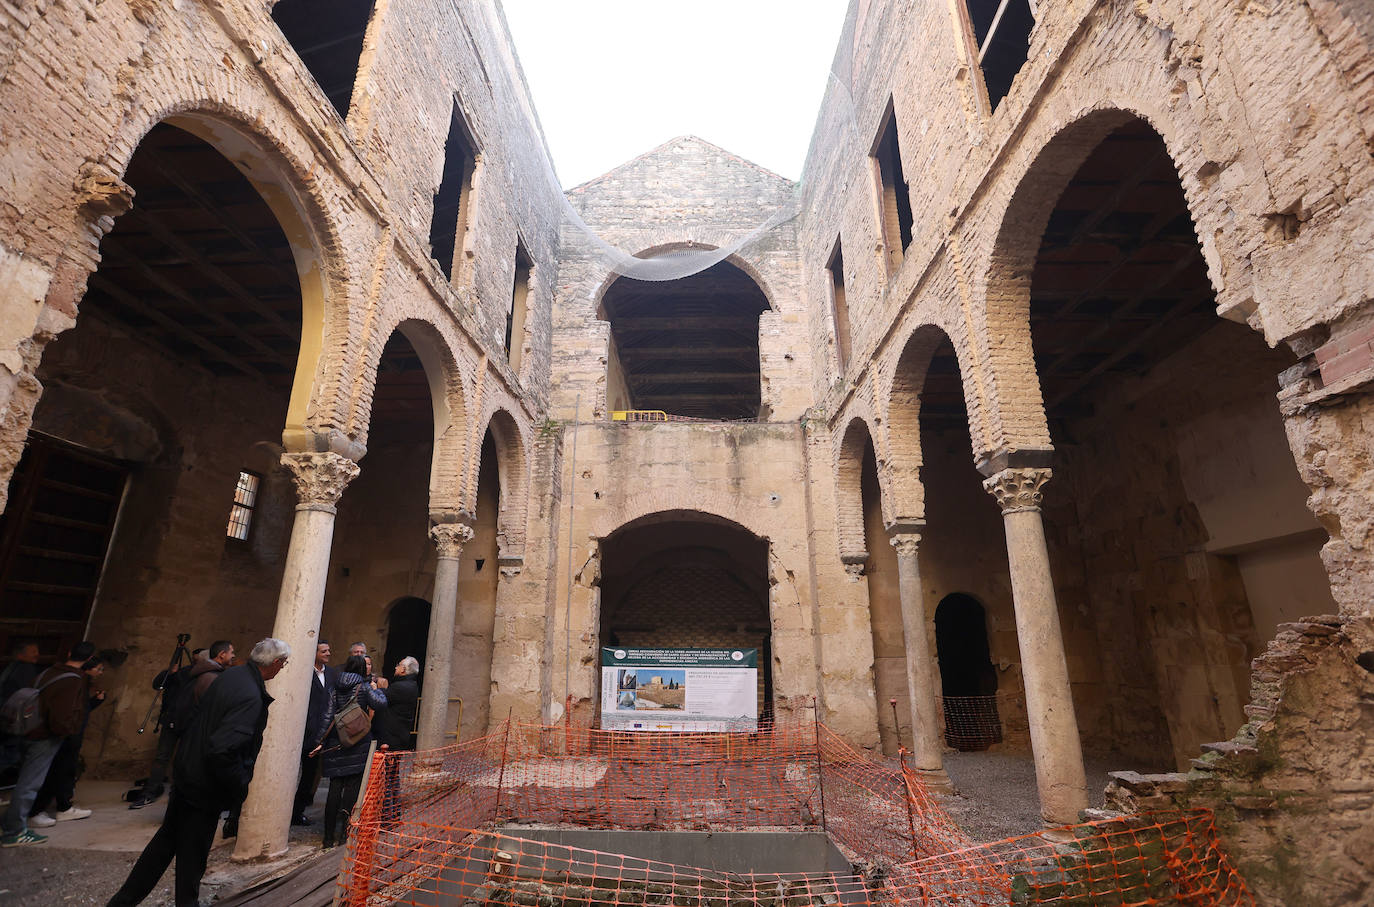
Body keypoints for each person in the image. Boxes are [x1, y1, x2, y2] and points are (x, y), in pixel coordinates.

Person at [106, 638, 289, 907]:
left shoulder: (230, 676)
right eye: (283, 663)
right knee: (192, 856)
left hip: (188, 772)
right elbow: (223, 749)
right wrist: (238, 785)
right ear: (274, 663)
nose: (283, 668)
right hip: (205, 786)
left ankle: (122, 901)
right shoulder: (249, 693)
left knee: (164, 845)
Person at [1, 641, 89, 847]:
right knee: (30, 784)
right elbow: (61, 714)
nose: (37, 655)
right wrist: (65, 733)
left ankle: (10, 822)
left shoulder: (47, 672)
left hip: (28, 731)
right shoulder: (73, 680)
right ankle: (15, 831)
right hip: (44, 735)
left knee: (24, 780)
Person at [309, 653, 387, 848]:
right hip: (358, 741)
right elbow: (380, 704)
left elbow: (327, 716)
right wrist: (379, 690)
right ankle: (344, 834)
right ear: (362, 669)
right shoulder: (364, 686)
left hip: (337, 741)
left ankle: (327, 837)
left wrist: (319, 741)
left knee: (334, 789)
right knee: (352, 790)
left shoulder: (334, 687)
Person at [30, 651, 106, 827]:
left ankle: (58, 806)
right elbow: (72, 712)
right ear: (89, 667)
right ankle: (43, 810)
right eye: (99, 669)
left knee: (60, 771)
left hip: (63, 733)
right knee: (57, 772)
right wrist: (66, 732)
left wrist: (96, 701)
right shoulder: (75, 682)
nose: (101, 673)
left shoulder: (73, 680)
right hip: (64, 734)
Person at [130, 646, 204, 809]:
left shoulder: (206, 677)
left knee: (179, 760)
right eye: (195, 658)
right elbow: (158, 685)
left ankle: (176, 795)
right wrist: (169, 672)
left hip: (189, 724)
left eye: (199, 659)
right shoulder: (182, 673)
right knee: (163, 757)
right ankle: (151, 792)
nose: (196, 661)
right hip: (173, 721)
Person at [292, 639, 337, 826]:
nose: (328, 653)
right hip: (301, 729)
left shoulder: (333, 674)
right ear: (315, 653)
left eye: (328, 650)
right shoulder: (303, 672)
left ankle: (297, 812)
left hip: (319, 732)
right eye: (324, 651)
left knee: (309, 776)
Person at [372, 657, 419, 825]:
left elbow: (381, 699)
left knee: (387, 779)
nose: (396, 666)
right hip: (398, 737)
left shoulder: (400, 687)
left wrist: (378, 688)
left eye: (399, 665)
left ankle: (387, 817)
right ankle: (394, 814)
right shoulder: (410, 685)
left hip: (391, 739)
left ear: (404, 670)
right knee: (393, 778)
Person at [0, 639, 42, 781]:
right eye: (33, 652)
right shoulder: (25, 670)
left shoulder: (11, 668)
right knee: (11, 754)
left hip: (6, 717)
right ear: (21, 655)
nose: (37, 655)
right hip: (13, 719)